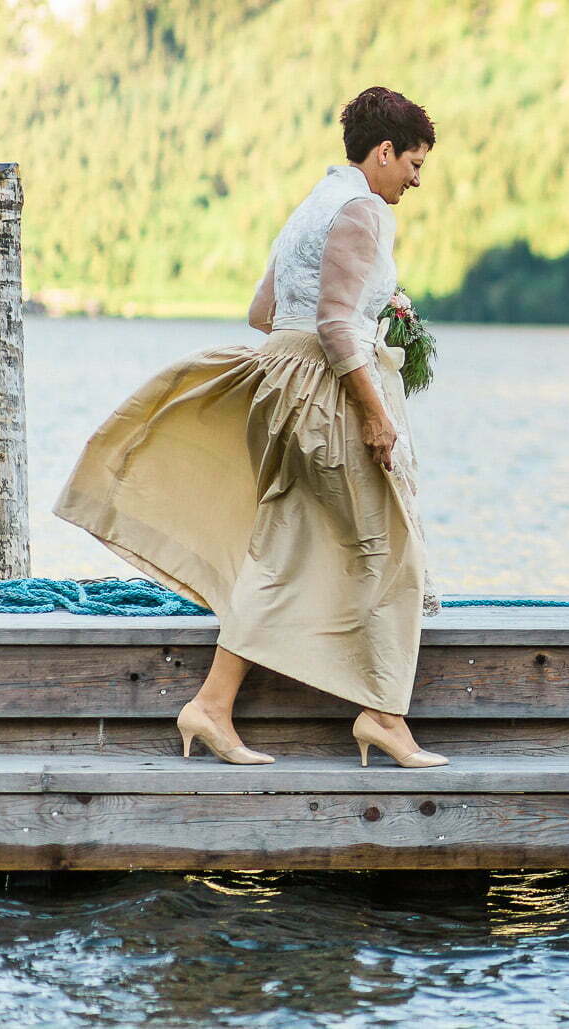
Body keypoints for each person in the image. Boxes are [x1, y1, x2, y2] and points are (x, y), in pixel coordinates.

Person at [56, 86, 447, 766]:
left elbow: (263, 310)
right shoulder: (362, 210)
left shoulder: (312, 205)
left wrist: (366, 319)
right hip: (325, 394)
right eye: (413, 162)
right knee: (393, 550)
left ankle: (210, 705)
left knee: (283, 548)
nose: (416, 178)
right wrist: (376, 412)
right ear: (383, 151)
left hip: (279, 386)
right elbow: (332, 325)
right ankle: (383, 714)